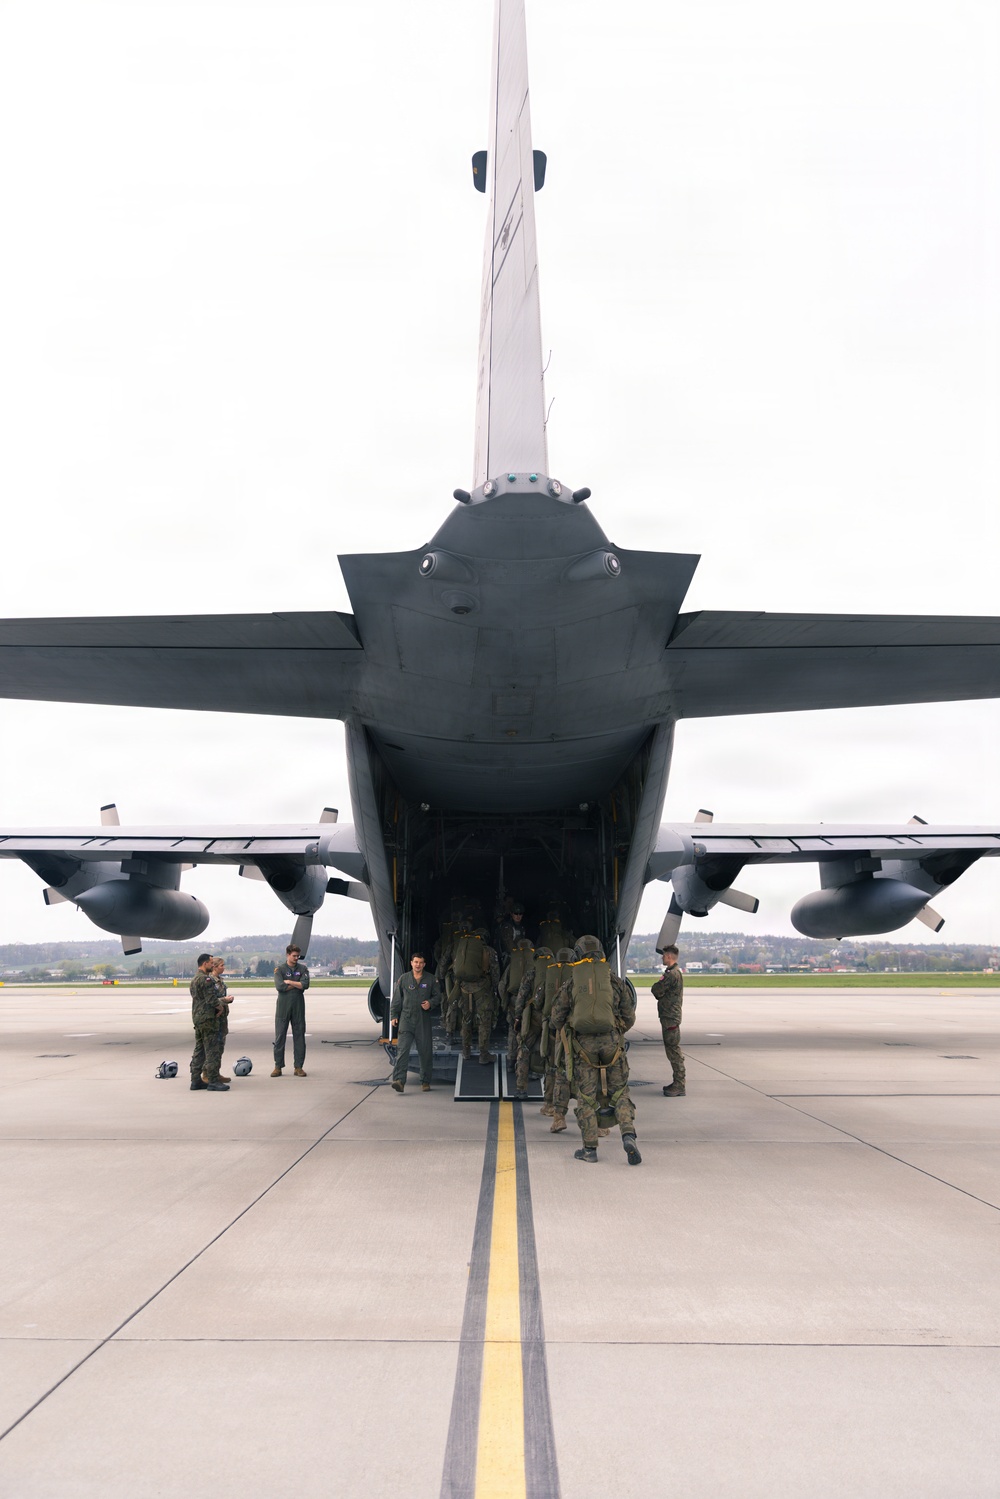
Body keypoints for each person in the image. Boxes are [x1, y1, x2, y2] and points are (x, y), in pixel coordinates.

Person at [550, 935, 641, 1165]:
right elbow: (629, 1016)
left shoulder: (572, 983)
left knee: (586, 1098)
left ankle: (589, 1149)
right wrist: (616, 1028)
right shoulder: (614, 981)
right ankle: (628, 1135)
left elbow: (556, 1017)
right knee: (619, 1092)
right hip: (612, 1045)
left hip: (583, 1048)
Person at [389, 952, 442, 1094]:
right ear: (411, 963)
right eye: (416, 962)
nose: (418, 965)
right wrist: (394, 1015)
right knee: (402, 1050)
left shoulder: (431, 979)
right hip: (406, 1019)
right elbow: (397, 999)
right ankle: (399, 1081)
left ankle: (425, 1081)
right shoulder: (404, 979)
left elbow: (438, 996)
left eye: (421, 962)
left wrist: (430, 1003)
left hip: (422, 1019)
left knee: (425, 1051)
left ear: (424, 964)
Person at [451, 925, 501, 1063]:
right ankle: (483, 1054)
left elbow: (456, 969)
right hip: (482, 990)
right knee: (484, 1021)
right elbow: (496, 973)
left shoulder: (464, 951)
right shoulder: (489, 951)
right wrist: (496, 990)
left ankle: (466, 1051)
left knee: (466, 1019)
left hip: (464, 989)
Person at [540, 945, 575, 1131]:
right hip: (582, 1035)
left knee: (556, 1069)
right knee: (588, 1077)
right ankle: (597, 1124)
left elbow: (555, 1012)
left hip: (561, 1034)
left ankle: (554, 1111)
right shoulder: (578, 978)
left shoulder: (552, 975)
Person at [514, 946, 553, 1094]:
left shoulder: (531, 974)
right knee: (551, 1053)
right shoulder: (555, 974)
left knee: (524, 1048)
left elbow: (521, 997)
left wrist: (518, 1016)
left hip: (533, 1018)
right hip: (549, 1018)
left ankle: (521, 1088)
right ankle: (549, 1096)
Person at [189, 952, 228, 1092]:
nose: (212, 965)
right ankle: (213, 1081)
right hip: (208, 1019)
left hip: (198, 1018)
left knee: (199, 1050)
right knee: (212, 1050)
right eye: (211, 963)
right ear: (205, 963)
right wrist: (221, 1007)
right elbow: (211, 1000)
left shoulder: (194, 979)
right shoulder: (206, 980)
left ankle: (195, 1080)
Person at [651, 944, 685, 1096]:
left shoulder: (671, 974)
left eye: (664, 955)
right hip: (669, 1017)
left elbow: (657, 990)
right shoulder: (673, 972)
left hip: (670, 1017)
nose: (662, 957)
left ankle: (679, 1085)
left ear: (670, 956)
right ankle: (677, 1082)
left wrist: (656, 987)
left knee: (674, 1051)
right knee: (672, 1050)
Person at [272, 943, 310, 1077]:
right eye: (294, 956)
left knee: (299, 1037)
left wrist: (290, 982)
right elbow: (280, 987)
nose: (296, 958)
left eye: (298, 956)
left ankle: (298, 1066)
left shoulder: (303, 968)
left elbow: (305, 985)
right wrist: (297, 984)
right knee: (280, 1037)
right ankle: (278, 1066)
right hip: (283, 1008)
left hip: (298, 1007)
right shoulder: (280, 970)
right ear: (288, 955)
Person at [206, 957, 233, 1085]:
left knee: (220, 1047)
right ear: (215, 967)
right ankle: (207, 1073)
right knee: (213, 1048)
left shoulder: (220, 981)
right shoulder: (210, 981)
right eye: (222, 965)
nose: (224, 967)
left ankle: (216, 1073)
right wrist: (225, 1000)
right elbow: (211, 1000)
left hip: (222, 1018)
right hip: (215, 1018)